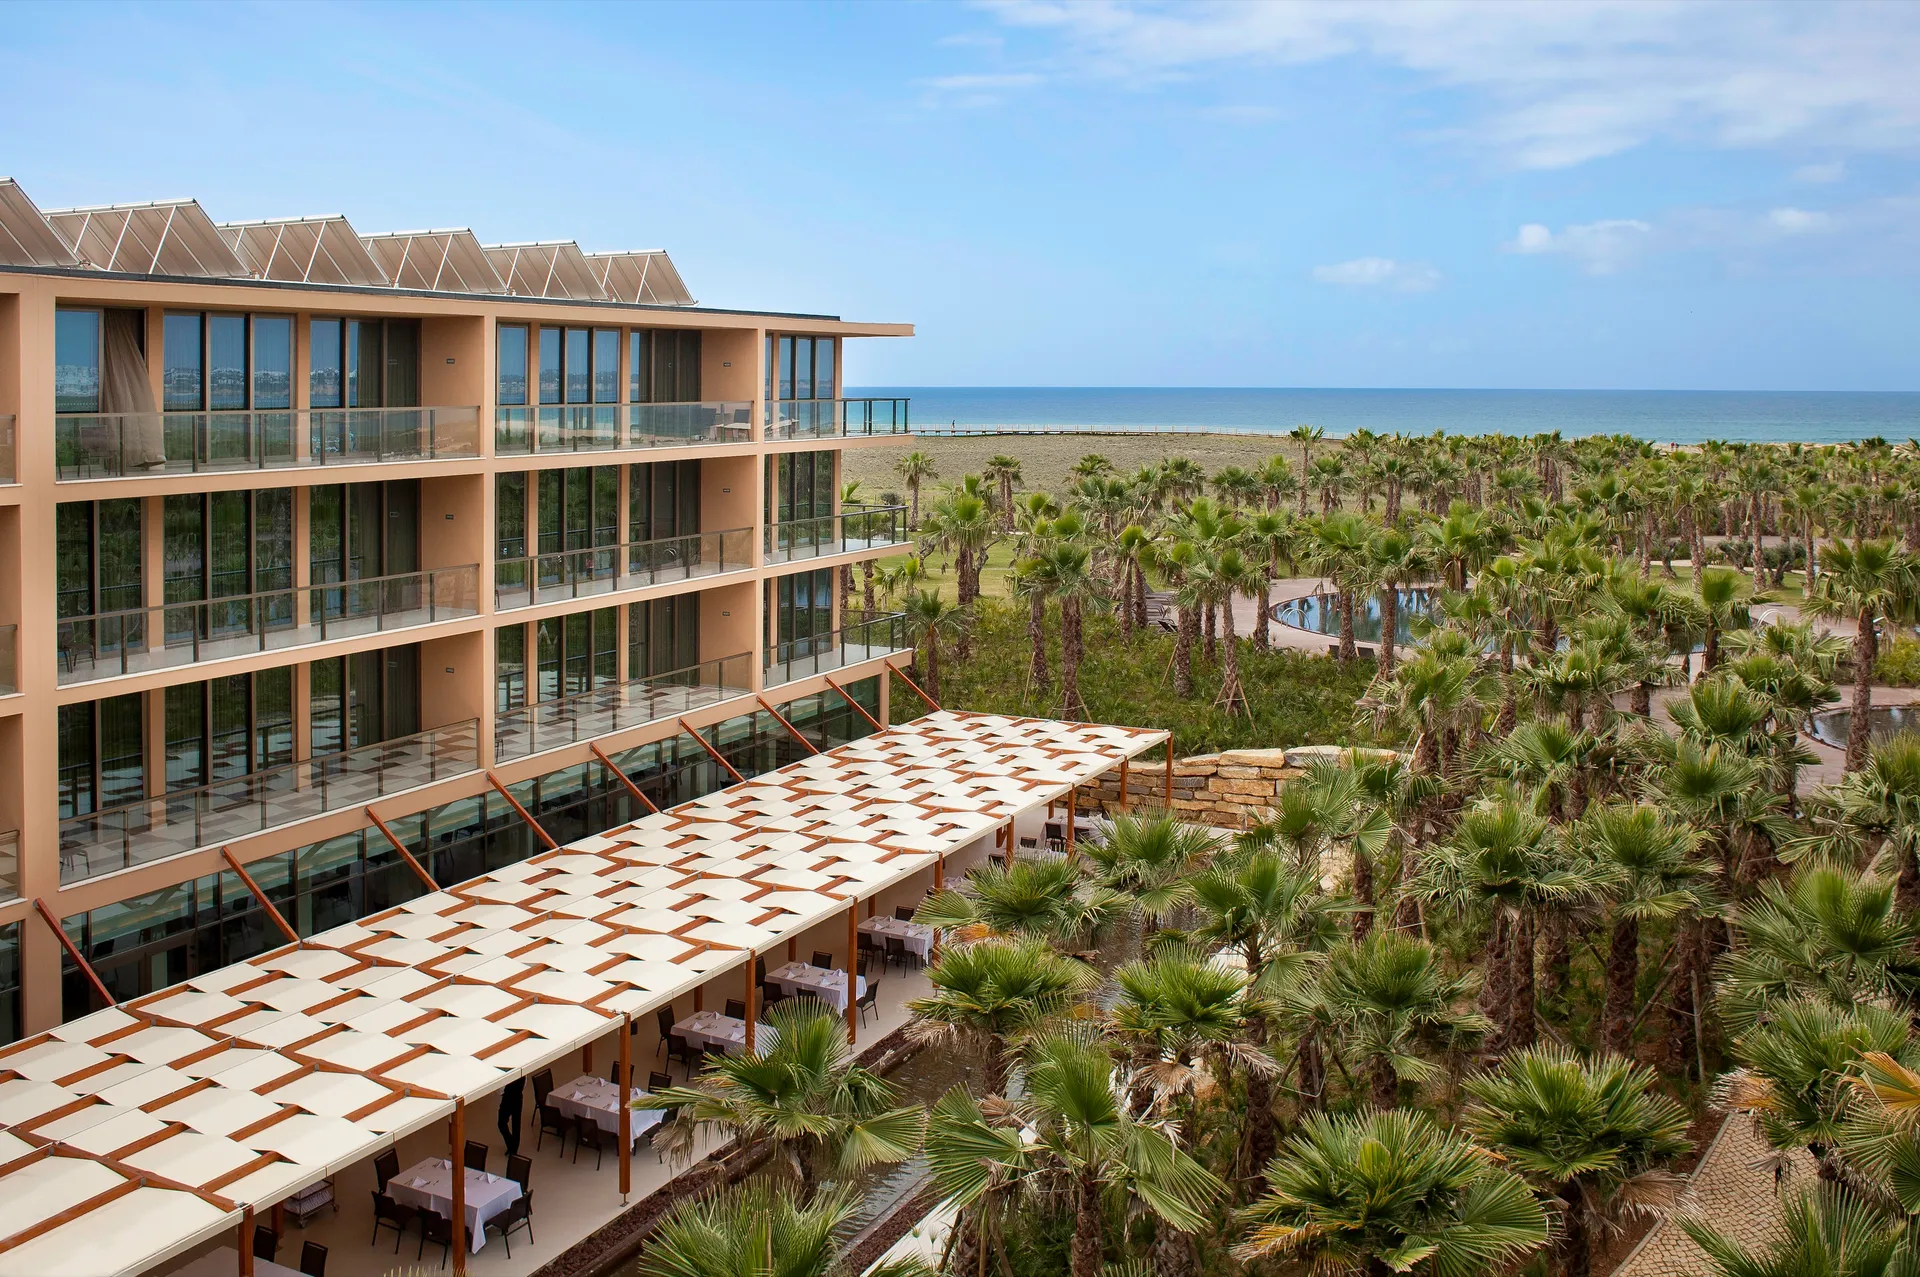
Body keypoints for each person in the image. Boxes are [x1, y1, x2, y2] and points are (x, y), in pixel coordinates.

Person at [497, 1076, 524, 1158]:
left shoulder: (506, 1075)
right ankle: (513, 1146)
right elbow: (524, 1083)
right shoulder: (521, 1073)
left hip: (508, 1098)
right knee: (516, 1124)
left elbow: (501, 1090)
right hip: (518, 1097)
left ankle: (512, 1146)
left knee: (502, 1123)